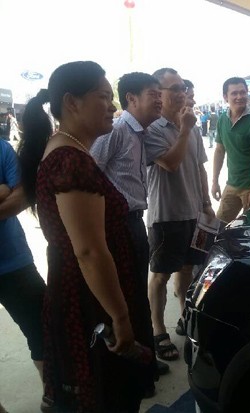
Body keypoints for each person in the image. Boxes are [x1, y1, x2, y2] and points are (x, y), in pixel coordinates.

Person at [17, 61, 155, 412]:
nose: (112, 105)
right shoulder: (70, 161)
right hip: (91, 301)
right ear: (71, 102)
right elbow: (89, 251)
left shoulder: (69, 151)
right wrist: (120, 317)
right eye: (103, 96)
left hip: (88, 293)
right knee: (107, 394)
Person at [90, 72, 169, 378]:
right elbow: (91, 172)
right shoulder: (116, 131)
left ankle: (145, 362)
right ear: (131, 99)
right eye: (153, 94)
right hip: (117, 226)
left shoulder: (140, 133)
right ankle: (134, 370)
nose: (159, 100)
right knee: (126, 297)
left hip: (134, 222)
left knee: (136, 294)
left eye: (160, 94)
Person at [145, 70, 213, 361]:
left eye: (183, 87)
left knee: (187, 268)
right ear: (158, 93)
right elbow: (170, 163)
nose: (181, 92)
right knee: (160, 274)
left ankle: (185, 315)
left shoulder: (192, 126)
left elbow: (199, 167)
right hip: (166, 214)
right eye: (173, 88)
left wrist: (206, 202)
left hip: (193, 212)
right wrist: (185, 129)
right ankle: (158, 328)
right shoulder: (152, 129)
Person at [0, 138, 46, 412]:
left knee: (43, 329)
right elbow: (11, 192)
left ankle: (53, 395)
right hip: (15, 261)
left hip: (14, 261)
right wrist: (2, 189)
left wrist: (9, 191)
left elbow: (23, 196)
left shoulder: (1, 148)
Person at [211, 77, 250, 223]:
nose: (239, 96)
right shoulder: (222, 120)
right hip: (232, 183)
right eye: (234, 93)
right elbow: (219, 151)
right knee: (220, 224)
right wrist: (215, 181)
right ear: (225, 97)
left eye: (243, 92)